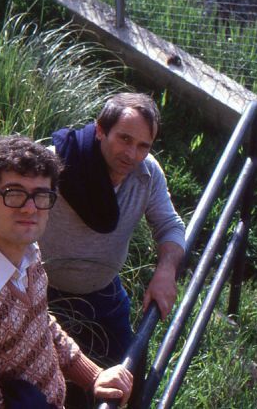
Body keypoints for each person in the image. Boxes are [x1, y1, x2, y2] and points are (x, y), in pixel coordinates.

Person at [0, 134, 133, 408]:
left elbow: (41, 323)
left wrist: (93, 376)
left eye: (41, 196)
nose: (30, 208)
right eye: (14, 194)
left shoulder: (27, 250)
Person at [39, 93, 187, 398]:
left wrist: (166, 270)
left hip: (103, 291)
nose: (131, 154)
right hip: (43, 297)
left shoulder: (147, 174)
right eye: (124, 139)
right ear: (100, 130)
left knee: (130, 376)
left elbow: (170, 225)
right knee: (54, 390)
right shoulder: (51, 168)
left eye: (143, 146)